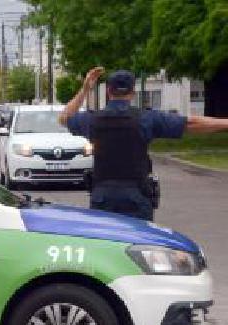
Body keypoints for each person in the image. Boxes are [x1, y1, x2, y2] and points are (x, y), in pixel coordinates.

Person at [59, 67, 228, 220]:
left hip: (103, 197)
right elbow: (191, 124)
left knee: (106, 247)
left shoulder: (92, 120)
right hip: (137, 197)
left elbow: (64, 118)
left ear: (109, 92)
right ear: (133, 93)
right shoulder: (146, 119)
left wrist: (85, 89)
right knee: (138, 249)